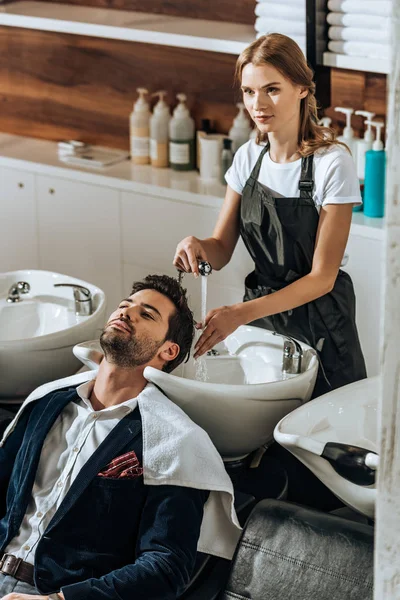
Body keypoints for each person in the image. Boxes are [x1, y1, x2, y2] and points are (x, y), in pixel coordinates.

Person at [0, 275, 240, 600]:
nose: (127, 313)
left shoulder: (172, 441)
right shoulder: (46, 402)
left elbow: (166, 567)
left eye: (147, 314)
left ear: (168, 350)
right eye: (125, 305)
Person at [174, 33, 367, 399]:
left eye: (272, 89)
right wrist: (196, 245)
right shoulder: (248, 157)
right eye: (249, 91)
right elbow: (220, 249)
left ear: (302, 89)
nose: (258, 104)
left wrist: (241, 313)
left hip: (321, 321)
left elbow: (322, 278)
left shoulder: (332, 163)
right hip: (263, 318)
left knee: (324, 433)